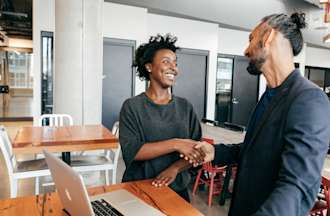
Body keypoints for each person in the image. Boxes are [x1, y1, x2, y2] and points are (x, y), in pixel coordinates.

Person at [191, 13, 330, 215]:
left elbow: (297, 186)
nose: (246, 50)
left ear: (269, 37)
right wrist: (216, 152)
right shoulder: (269, 95)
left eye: (251, 39)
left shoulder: (309, 99)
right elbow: (256, 151)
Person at [119, 34, 204, 202]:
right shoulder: (132, 106)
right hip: (139, 189)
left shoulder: (185, 107)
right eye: (166, 61)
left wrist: (174, 169)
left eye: (175, 63)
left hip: (177, 192)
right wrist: (176, 143)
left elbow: (197, 151)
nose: (174, 68)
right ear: (149, 67)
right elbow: (133, 151)